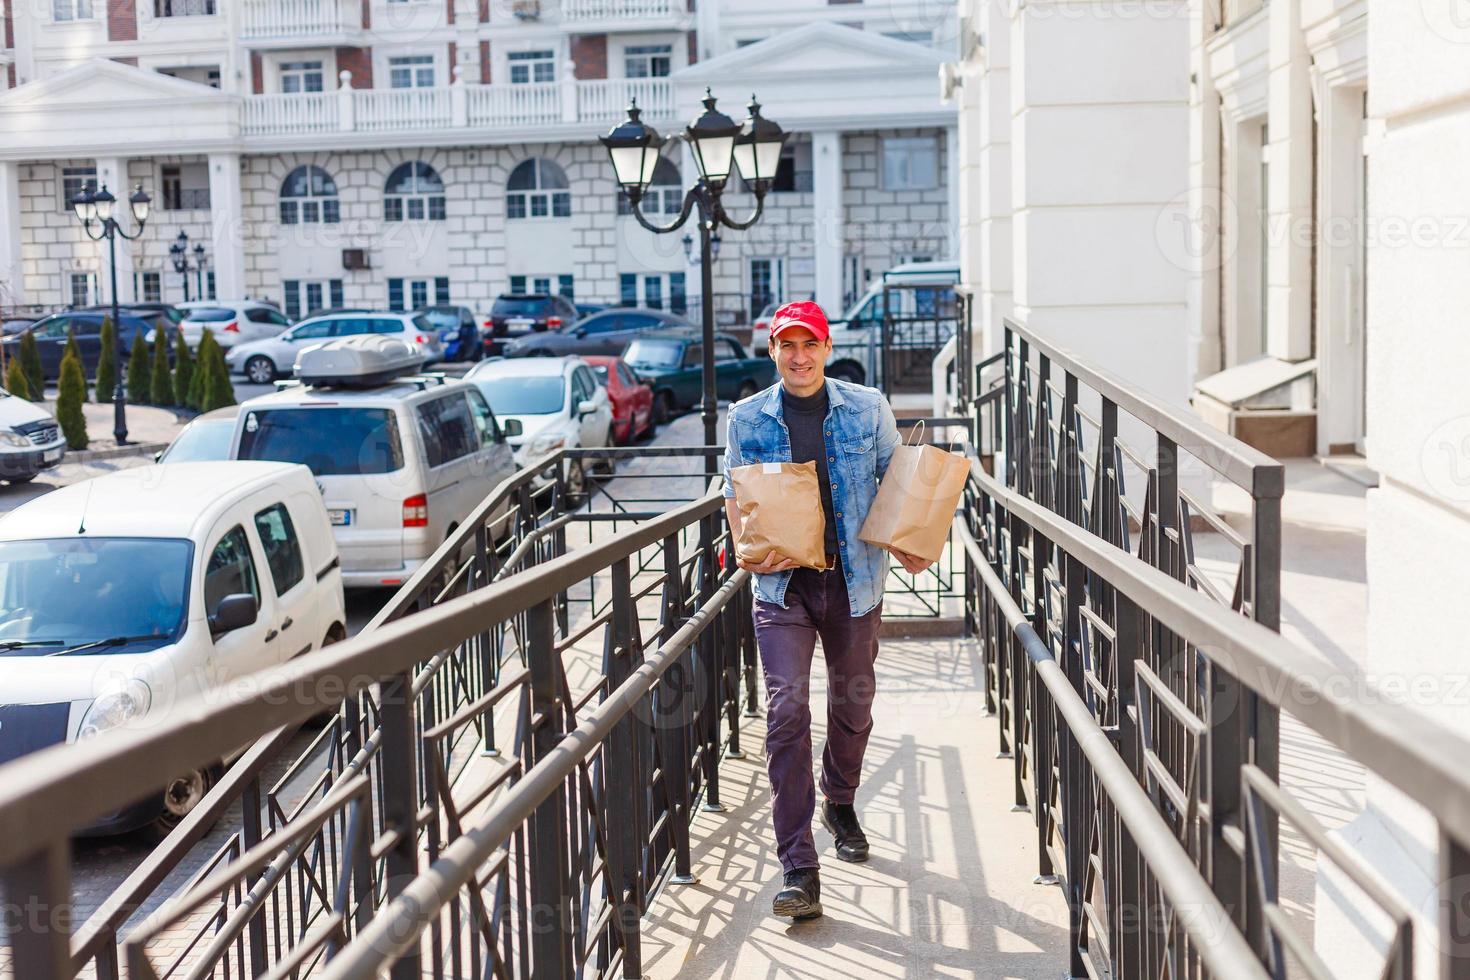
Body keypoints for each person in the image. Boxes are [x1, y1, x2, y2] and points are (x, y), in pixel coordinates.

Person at [722, 299, 932, 920]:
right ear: (772, 352)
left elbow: (900, 483)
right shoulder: (747, 416)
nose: (799, 355)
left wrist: (915, 542)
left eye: (808, 343)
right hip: (782, 588)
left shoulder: (867, 407)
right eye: (786, 344)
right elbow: (733, 491)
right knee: (787, 711)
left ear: (826, 346)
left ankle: (838, 798)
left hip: (854, 584)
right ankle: (799, 869)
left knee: (854, 703)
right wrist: (740, 546)